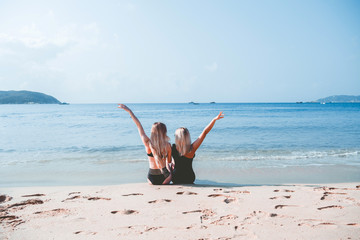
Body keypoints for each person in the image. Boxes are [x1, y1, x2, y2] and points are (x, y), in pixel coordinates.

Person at [118, 104, 172, 185]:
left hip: (151, 178)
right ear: (164, 132)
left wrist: (130, 111)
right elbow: (170, 161)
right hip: (165, 178)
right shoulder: (168, 145)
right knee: (170, 168)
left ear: (152, 132)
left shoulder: (147, 143)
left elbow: (139, 125)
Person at [171, 112, 224, 184]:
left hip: (176, 178)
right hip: (189, 178)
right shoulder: (191, 149)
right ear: (187, 137)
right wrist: (214, 120)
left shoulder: (173, 147)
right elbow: (204, 132)